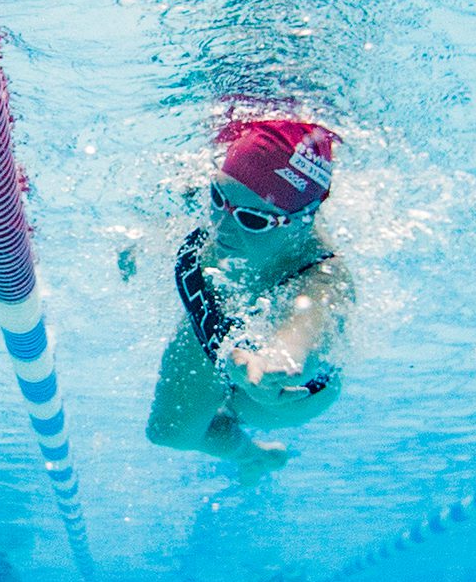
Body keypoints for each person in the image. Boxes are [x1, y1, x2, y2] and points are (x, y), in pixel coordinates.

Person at [146, 118, 352, 483]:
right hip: (219, 333)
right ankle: (253, 457)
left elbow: (305, 329)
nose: (222, 225)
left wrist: (270, 363)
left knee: (244, 407)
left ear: (302, 220)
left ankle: (247, 425)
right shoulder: (226, 203)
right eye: (218, 198)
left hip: (280, 396)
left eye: (253, 220)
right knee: (168, 432)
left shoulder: (323, 277)